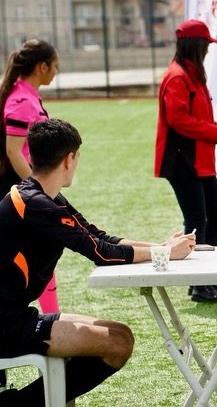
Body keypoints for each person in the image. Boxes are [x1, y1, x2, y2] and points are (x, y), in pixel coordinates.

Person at [0, 118, 196, 404]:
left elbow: (101, 238)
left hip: (15, 316)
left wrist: (164, 246)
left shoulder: (45, 198)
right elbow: (101, 254)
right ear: (69, 159)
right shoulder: (36, 204)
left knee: (122, 335)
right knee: (115, 345)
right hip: (7, 326)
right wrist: (164, 254)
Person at [155, 19, 217, 303]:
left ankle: (203, 280)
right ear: (196, 46)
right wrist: (213, 131)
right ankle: (200, 284)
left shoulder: (191, 75)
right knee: (198, 219)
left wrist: (215, 126)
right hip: (182, 159)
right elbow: (177, 119)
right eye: (206, 45)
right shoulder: (178, 77)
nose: (209, 50)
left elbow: (192, 116)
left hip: (197, 159)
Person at [0, 40, 60, 318]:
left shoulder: (27, 95)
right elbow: (14, 150)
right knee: (35, 256)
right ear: (42, 66)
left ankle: (51, 317)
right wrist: (40, 190)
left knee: (43, 254)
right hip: (17, 192)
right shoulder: (21, 100)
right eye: (55, 66)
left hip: (22, 189)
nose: (56, 72)